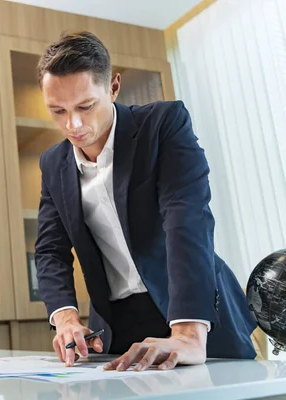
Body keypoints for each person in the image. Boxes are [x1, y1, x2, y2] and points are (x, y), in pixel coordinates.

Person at [34, 31, 257, 372]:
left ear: (113, 87)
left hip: (189, 310)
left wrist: (188, 331)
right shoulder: (53, 164)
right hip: (118, 328)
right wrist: (65, 317)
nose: (73, 124)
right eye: (57, 111)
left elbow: (186, 218)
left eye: (85, 106)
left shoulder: (163, 124)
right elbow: (50, 249)